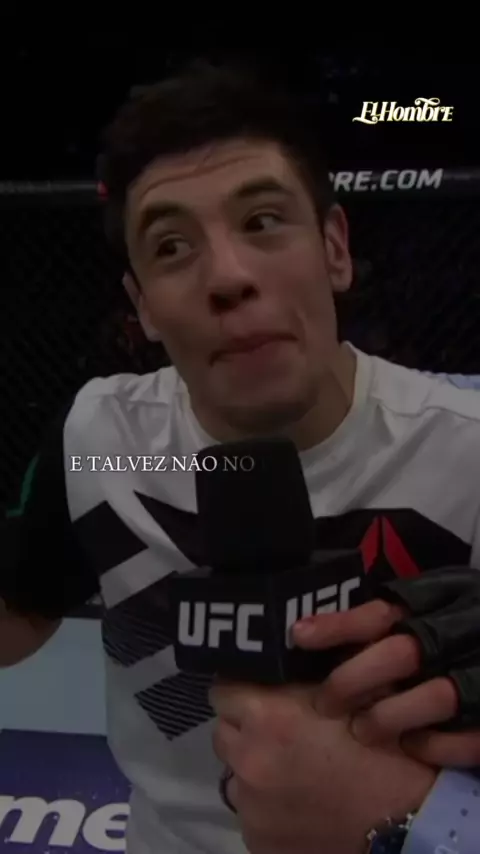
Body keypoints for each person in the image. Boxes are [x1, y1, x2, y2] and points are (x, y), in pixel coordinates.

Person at [1, 60, 480, 854]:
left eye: (262, 222)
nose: (228, 277)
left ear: (334, 249)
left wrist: (416, 818)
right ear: (143, 309)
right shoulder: (96, 442)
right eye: (172, 245)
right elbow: (17, 616)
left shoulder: (467, 449)